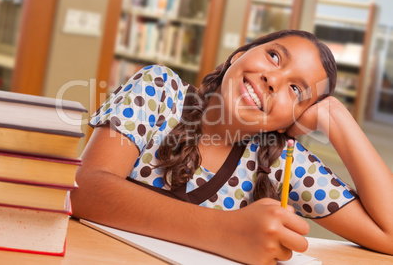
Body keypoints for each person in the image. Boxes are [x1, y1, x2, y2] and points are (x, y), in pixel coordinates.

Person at [71, 30, 393, 265]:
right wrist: (227, 232)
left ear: (288, 123)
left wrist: (335, 117)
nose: (273, 80)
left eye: (296, 90)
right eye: (274, 56)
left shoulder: (279, 161)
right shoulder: (158, 90)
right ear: (239, 55)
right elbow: (84, 188)